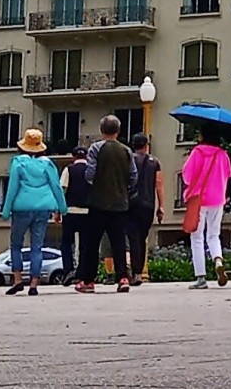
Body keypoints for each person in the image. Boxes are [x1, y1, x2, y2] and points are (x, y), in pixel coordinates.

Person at [75, 115, 138, 294]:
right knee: (118, 242)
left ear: (102, 131)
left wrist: (94, 184)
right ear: (118, 131)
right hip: (120, 204)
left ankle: (88, 281)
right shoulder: (126, 150)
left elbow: (90, 174)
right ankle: (123, 278)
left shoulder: (96, 148)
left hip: (98, 202)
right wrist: (125, 190)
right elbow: (133, 176)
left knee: (92, 243)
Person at [2, 129, 68, 296]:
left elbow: (12, 188)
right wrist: (62, 208)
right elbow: (56, 187)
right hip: (43, 208)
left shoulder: (18, 163)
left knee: (16, 245)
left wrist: (6, 209)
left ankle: (17, 279)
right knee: (37, 246)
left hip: (21, 208)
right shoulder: (48, 164)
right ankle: (34, 283)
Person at [181, 125, 231, 290]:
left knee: (196, 238)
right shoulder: (223, 154)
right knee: (214, 235)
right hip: (217, 199)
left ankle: (201, 277)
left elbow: (187, 175)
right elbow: (228, 175)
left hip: (198, 199)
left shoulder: (197, 152)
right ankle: (218, 259)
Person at [126, 133, 164, 286]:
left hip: (131, 203)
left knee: (133, 238)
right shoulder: (154, 162)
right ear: (146, 145)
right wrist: (161, 206)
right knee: (142, 238)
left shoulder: (129, 160)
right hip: (148, 204)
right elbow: (159, 185)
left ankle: (134, 271)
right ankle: (139, 271)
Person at [58, 147, 90, 285]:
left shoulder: (68, 169)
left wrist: (58, 210)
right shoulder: (91, 170)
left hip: (70, 211)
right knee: (85, 244)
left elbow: (62, 190)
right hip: (88, 212)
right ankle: (82, 273)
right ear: (87, 156)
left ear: (73, 157)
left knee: (66, 243)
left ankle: (69, 270)